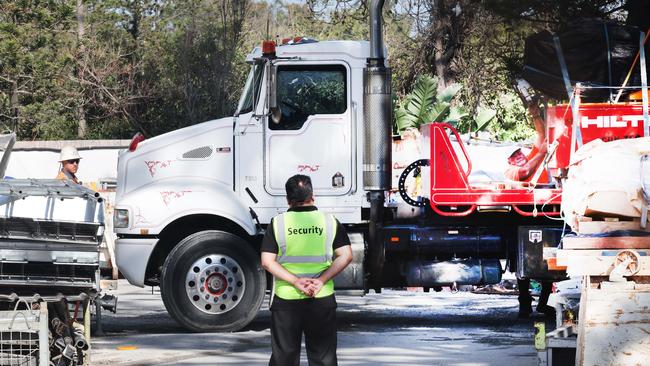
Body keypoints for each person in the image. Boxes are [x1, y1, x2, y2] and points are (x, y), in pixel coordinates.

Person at [261, 174, 352, 366]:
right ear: (313, 196)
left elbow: (267, 262)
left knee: (284, 358)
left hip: (286, 299)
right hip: (321, 298)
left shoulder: (278, 223)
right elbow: (346, 255)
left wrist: (296, 281)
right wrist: (320, 280)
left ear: (288, 200)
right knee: (323, 359)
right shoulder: (329, 221)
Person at [504, 104, 555, 318]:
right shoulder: (512, 170)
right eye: (514, 157)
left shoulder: (532, 156)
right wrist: (542, 152)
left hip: (544, 214)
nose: (519, 158)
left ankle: (543, 303)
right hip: (522, 217)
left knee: (548, 264)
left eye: (519, 154)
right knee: (523, 265)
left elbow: (541, 136)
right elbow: (526, 170)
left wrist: (535, 115)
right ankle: (524, 303)